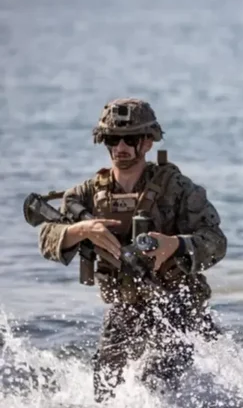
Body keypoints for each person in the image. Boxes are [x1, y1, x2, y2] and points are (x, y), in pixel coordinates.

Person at [37, 98, 226, 402]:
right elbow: (47, 237)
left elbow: (216, 242)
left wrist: (175, 245)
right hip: (124, 309)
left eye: (130, 139)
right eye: (113, 139)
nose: (121, 147)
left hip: (177, 306)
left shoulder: (177, 188)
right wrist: (82, 230)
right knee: (104, 391)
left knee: (157, 382)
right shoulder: (85, 195)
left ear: (148, 142)